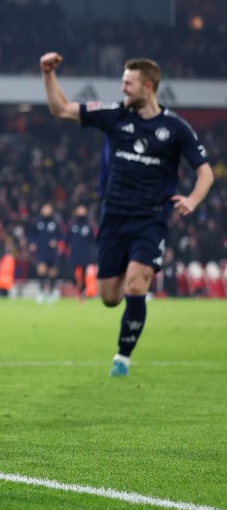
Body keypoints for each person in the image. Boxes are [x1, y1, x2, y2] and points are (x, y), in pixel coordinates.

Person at [40, 52, 214, 377]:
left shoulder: (175, 128)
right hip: (113, 217)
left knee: (136, 284)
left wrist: (192, 199)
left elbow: (205, 172)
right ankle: (127, 314)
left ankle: (123, 357)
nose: (122, 89)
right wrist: (48, 74)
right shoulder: (114, 116)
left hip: (151, 219)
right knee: (109, 297)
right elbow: (60, 109)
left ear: (147, 87)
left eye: (128, 83)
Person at [29, 203, 63, 304]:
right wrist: (32, 243)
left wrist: (56, 242)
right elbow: (31, 234)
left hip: (52, 252)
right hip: (41, 250)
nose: (46, 210)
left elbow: (61, 235)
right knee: (41, 270)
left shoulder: (55, 222)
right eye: (44, 208)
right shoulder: (37, 222)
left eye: (48, 208)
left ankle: (52, 292)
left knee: (52, 272)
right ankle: (41, 292)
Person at [65, 204, 97, 303]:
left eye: (83, 210)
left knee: (83, 274)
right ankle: (77, 286)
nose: (81, 212)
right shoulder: (72, 224)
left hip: (85, 253)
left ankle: (82, 293)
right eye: (79, 210)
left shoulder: (89, 225)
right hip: (74, 253)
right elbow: (67, 238)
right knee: (71, 274)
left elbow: (94, 239)